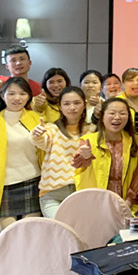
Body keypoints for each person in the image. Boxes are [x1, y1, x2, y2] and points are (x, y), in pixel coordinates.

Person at [0, 77, 42, 228]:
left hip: (32, 182)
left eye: (22, 93)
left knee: (30, 233)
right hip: (3, 185)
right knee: (8, 234)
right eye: (11, 93)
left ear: (29, 97)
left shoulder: (37, 119)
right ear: (2, 95)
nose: (17, 98)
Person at [30, 86, 93, 218]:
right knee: (60, 226)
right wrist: (36, 135)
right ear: (60, 107)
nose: (72, 107)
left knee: (79, 228)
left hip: (81, 193)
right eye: (66, 104)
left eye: (77, 103)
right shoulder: (52, 128)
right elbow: (42, 141)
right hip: (53, 194)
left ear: (84, 105)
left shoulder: (92, 130)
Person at [73, 98, 138, 206]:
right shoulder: (88, 141)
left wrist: (129, 201)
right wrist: (84, 156)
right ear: (102, 117)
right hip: (93, 204)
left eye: (122, 113)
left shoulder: (136, 141)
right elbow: (79, 164)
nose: (117, 117)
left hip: (125, 203)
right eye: (112, 113)